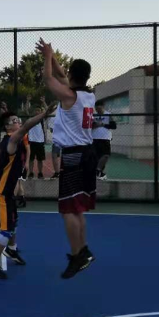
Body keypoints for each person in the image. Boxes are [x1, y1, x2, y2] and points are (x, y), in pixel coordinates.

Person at [37, 38, 97, 279]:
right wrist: (52, 56)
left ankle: (77, 256)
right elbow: (61, 75)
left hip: (74, 156)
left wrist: (46, 58)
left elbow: (49, 79)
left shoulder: (69, 96)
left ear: (72, 75)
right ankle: (84, 249)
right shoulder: (88, 95)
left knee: (68, 210)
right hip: (88, 153)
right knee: (78, 208)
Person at [0, 104, 56, 279]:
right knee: (6, 229)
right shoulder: (12, 140)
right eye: (15, 121)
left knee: (13, 222)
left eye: (18, 119)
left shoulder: (18, 141)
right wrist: (44, 114)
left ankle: (11, 249)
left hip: (8, 189)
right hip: (1, 191)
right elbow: (27, 126)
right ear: (8, 127)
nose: (19, 122)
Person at [92, 101, 117, 181]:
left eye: (100, 109)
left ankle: (98, 170)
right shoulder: (93, 115)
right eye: (97, 109)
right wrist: (94, 125)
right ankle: (99, 173)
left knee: (105, 155)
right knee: (96, 157)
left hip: (105, 138)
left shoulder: (108, 115)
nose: (98, 111)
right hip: (95, 138)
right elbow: (89, 126)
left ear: (103, 107)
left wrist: (103, 124)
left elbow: (113, 126)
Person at [26, 103, 47, 180]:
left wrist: (43, 102)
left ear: (41, 112)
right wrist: (27, 101)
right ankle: (31, 173)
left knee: (40, 159)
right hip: (31, 141)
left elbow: (47, 111)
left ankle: (40, 173)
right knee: (31, 159)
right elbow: (26, 111)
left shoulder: (42, 119)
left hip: (40, 142)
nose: (37, 112)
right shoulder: (31, 119)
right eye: (36, 110)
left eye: (39, 110)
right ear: (34, 111)